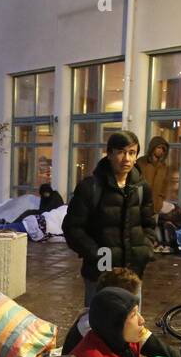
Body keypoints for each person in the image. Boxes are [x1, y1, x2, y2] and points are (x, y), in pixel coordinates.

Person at [63, 130, 158, 305]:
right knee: (97, 324)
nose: (127, 159)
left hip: (133, 272)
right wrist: (96, 254)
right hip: (100, 273)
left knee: (130, 325)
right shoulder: (90, 187)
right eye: (121, 152)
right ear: (109, 154)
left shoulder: (142, 188)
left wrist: (145, 250)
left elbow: (149, 224)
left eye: (132, 153)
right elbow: (72, 227)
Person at [134, 136, 174, 253]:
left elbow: (165, 184)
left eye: (163, 149)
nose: (161, 151)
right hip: (140, 202)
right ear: (153, 148)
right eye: (159, 148)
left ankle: (148, 250)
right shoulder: (141, 162)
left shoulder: (163, 167)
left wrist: (161, 198)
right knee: (138, 227)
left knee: (151, 227)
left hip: (155, 204)